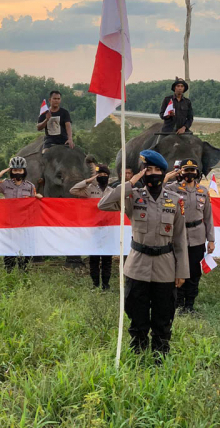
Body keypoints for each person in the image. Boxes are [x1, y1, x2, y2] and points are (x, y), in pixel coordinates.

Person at [98, 150, 189, 359]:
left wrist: (182, 270)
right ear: (142, 172)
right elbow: (103, 204)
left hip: (165, 267)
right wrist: (130, 182)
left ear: (164, 172)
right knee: (137, 315)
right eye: (149, 169)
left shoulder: (175, 200)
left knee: (163, 316)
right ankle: (138, 353)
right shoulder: (132, 197)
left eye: (157, 170)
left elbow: (180, 239)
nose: (153, 173)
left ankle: (160, 355)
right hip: (138, 265)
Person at [165, 158, 215, 313]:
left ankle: (189, 304)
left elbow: (208, 217)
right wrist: (169, 176)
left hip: (197, 237)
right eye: (186, 170)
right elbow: (160, 189)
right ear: (181, 172)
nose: (189, 173)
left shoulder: (203, 191)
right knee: (178, 269)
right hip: (178, 235)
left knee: (194, 271)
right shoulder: (173, 188)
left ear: (197, 172)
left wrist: (211, 240)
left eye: (192, 170)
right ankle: (178, 303)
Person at [0, 156, 42, 270]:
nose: (17, 173)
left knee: (24, 253)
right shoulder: (5, 184)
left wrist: (38, 198)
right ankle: (9, 275)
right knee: (9, 253)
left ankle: (23, 274)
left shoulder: (30, 186)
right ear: (11, 171)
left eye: (20, 170)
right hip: (9, 224)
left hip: (24, 224)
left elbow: (33, 205)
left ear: (24, 171)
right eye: (15, 170)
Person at [70, 164, 113, 290]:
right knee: (94, 259)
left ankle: (106, 285)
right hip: (93, 229)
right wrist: (88, 180)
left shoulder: (111, 191)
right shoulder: (89, 189)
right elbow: (73, 190)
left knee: (107, 259)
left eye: (105, 175)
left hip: (108, 228)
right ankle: (95, 284)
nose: (103, 177)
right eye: (100, 175)